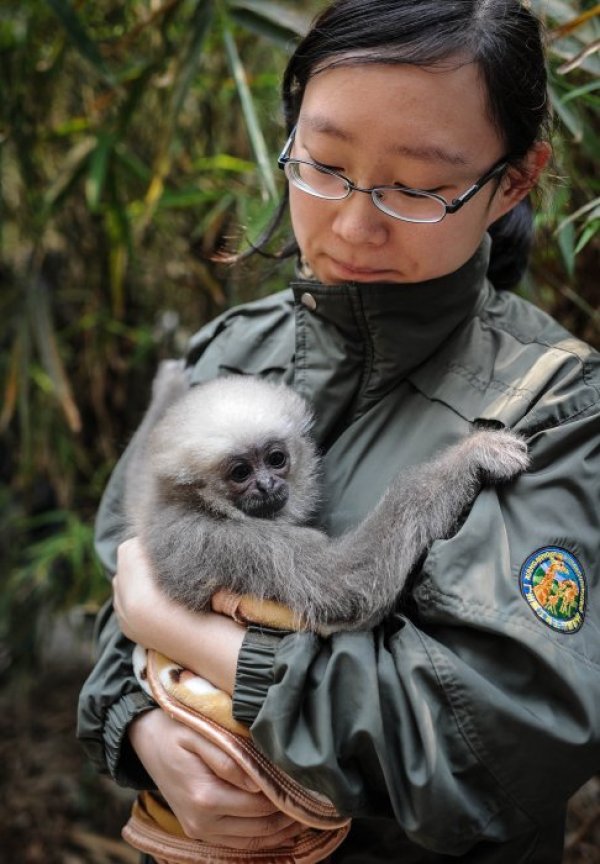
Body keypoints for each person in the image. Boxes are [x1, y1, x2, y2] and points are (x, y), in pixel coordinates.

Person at [77, 1, 600, 862]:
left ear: (513, 180)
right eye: (322, 165)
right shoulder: (227, 354)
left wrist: (204, 648)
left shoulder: (559, 411)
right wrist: (141, 731)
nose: (355, 225)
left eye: (419, 187)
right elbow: (117, 591)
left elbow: (481, 752)